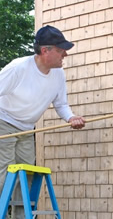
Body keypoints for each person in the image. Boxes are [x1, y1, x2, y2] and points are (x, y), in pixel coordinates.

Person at [0, 25, 85, 218]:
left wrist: (71, 118)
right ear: (45, 50)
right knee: (3, 179)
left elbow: (62, 104)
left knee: (26, 181)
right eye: (61, 49)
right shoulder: (18, 68)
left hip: (27, 129)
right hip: (3, 122)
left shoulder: (58, 74)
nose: (65, 54)